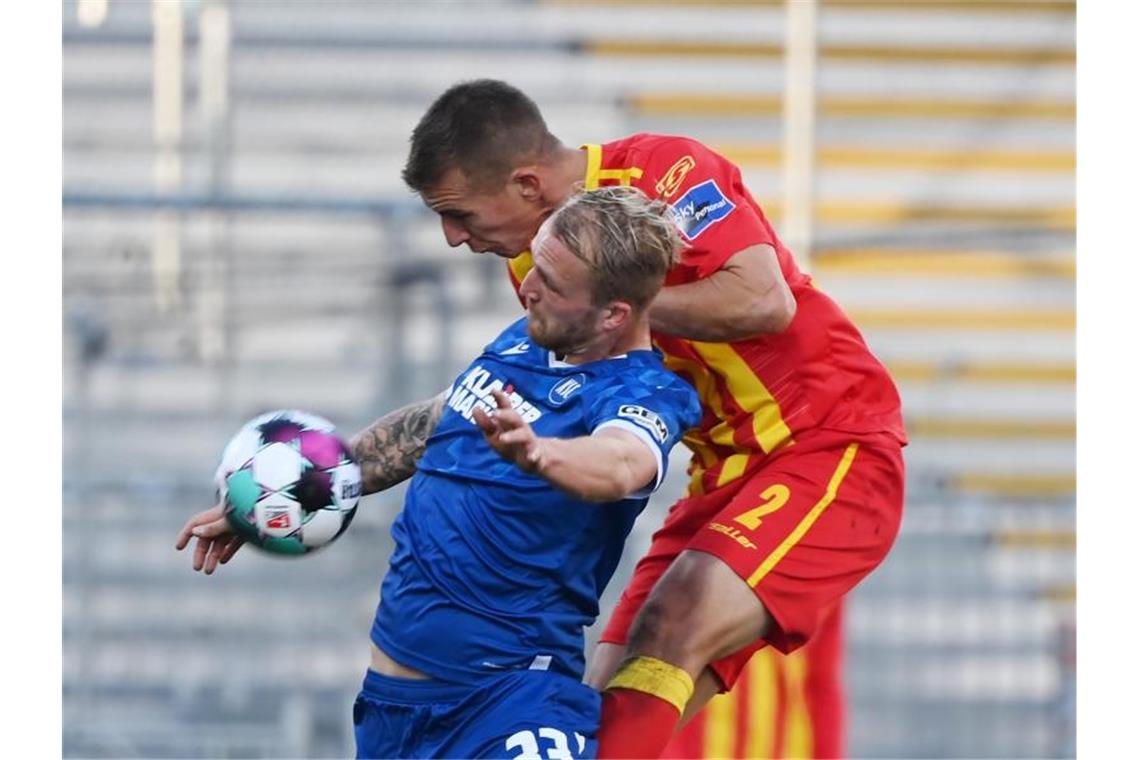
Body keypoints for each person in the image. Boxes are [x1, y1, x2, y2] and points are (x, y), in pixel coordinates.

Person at [398, 79, 908, 759]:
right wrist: (348, 462)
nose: (453, 237)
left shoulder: (666, 172)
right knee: (604, 695)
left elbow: (765, 300)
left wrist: (615, 300)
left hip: (831, 444)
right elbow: (522, 387)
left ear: (526, 184)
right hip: (720, 476)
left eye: (458, 212)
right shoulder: (535, 266)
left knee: (674, 622)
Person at [176, 187, 702, 759]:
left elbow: (623, 461)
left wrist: (540, 454)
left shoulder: (643, 392)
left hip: (508, 704)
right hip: (391, 710)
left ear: (614, 315)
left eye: (551, 283)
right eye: (535, 268)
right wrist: (289, 492)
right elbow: (432, 423)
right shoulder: (524, 341)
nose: (527, 288)